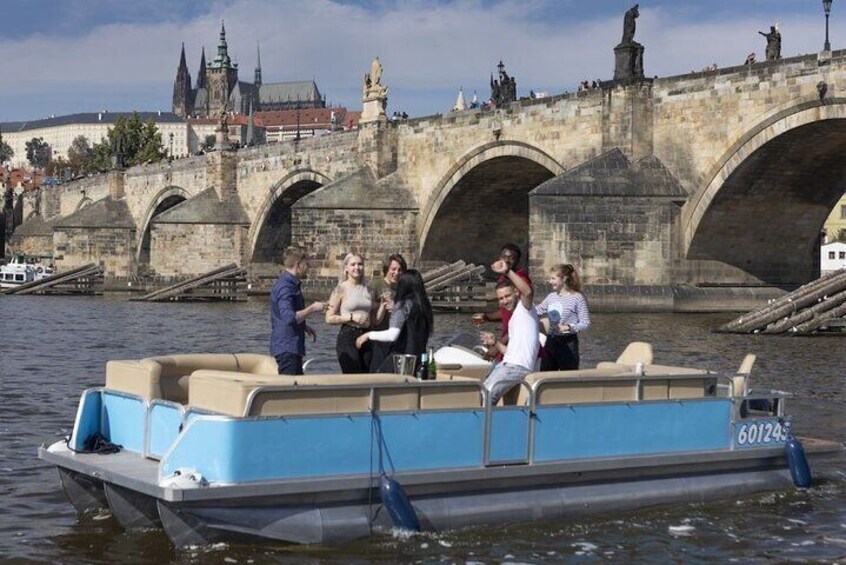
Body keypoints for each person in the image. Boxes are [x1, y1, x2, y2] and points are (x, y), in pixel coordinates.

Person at [480, 259, 540, 405]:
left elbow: (527, 291)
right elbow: (512, 352)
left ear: (515, 292)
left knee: (485, 396)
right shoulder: (515, 319)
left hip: (517, 368)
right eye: (500, 298)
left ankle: (481, 427)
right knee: (480, 392)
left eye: (507, 296)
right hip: (508, 364)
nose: (504, 301)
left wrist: (507, 271)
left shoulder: (525, 308)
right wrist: (495, 343)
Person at [356, 269, 434, 373]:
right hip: (420, 358)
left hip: (402, 359)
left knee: (378, 379)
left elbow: (392, 335)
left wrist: (368, 335)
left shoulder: (402, 306)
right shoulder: (425, 308)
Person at [269, 246, 325, 375]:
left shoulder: (287, 283)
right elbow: (288, 317)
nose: (309, 268)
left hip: (290, 347)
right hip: (287, 348)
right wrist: (312, 308)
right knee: (289, 390)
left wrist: (305, 326)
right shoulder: (286, 287)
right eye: (307, 264)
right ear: (298, 265)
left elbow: (285, 315)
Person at [472, 243, 532, 359]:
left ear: (518, 261)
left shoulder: (521, 280)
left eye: (512, 258)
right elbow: (505, 311)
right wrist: (486, 317)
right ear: (500, 258)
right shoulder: (503, 279)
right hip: (506, 335)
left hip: (516, 338)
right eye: (505, 257)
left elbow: (519, 319)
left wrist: (497, 345)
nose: (508, 261)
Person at [325, 253, 381, 373]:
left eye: (360, 264)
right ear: (346, 268)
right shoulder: (340, 289)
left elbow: (375, 319)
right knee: (353, 375)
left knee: (367, 376)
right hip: (348, 334)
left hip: (366, 336)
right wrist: (351, 317)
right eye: (353, 264)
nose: (357, 267)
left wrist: (384, 305)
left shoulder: (369, 290)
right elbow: (329, 318)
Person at [535, 264, 590, 371]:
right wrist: (522, 306)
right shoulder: (551, 297)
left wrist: (569, 327)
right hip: (551, 341)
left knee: (568, 378)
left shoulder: (577, 298)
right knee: (546, 376)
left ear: (564, 278)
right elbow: (537, 310)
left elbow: (585, 323)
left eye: (553, 278)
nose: (550, 282)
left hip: (568, 343)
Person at [369, 253, 408, 367]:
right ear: (387, 269)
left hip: (397, 336)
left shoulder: (404, 287)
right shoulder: (376, 284)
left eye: (400, 270)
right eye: (393, 269)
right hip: (378, 336)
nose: (396, 273)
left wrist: (396, 307)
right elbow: (367, 305)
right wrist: (381, 304)